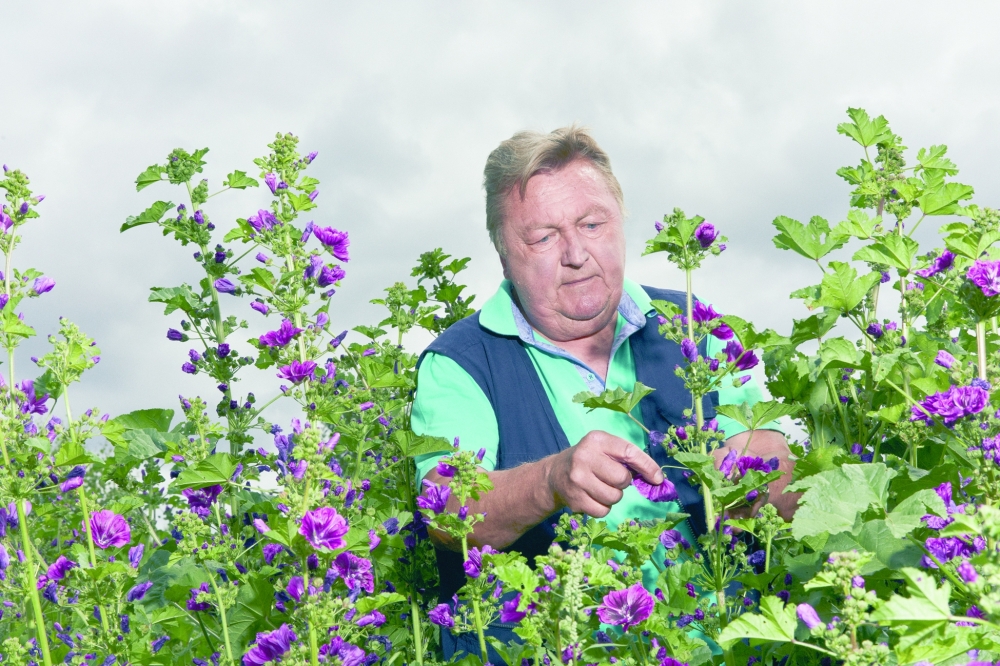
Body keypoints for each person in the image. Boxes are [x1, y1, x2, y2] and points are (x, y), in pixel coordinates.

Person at [412, 125, 798, 659]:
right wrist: (550, 480)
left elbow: (774, 465)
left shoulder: (693, 324)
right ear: (505, 256)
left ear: (620, 226)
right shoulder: (459, 363)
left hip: (721, 643)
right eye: (544, 237)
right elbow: (445, 508)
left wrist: (762, 468)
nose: (576, 253)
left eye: (592, 223)